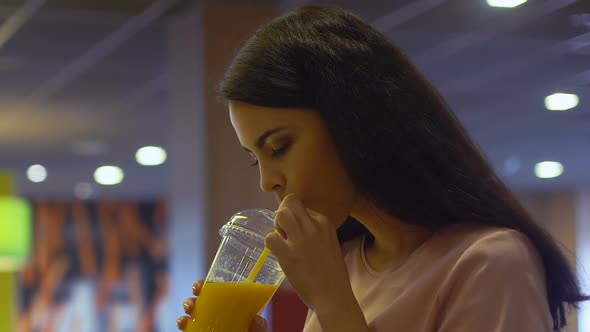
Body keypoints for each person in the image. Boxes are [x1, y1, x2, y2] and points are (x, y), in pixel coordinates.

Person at [176, 5, 589, 332]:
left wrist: (333, 302)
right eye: (255, 158)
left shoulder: (489, 262)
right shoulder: (349, 264)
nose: (268, 182)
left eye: (280, 147)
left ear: (352, 121)